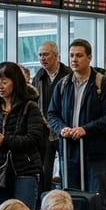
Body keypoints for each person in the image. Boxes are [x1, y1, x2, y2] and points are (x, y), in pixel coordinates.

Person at [46, 39, 106, 210]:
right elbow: (52, 113)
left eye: (79, 55)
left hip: (95, 152)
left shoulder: (102, 84)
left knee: (100, 199)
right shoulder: (64, 84)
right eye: (72, 56)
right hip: (70, 152)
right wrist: (62, 129)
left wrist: (85, 130)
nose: (74, 60)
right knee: (71, 199)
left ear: (89, 58)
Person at [0, 61, 46, 205]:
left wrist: (5, 141)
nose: (0, 86)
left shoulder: (30, 106)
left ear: (15, 82)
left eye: (4, 81)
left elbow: (34, 138)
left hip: (24, 169)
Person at [32, 41, 72, 193]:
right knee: (44, 170)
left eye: (46, 54)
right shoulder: (39, 76)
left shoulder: (68, 75)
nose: (43, 58)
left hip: (64, 128)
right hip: (44, 130)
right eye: (40, 55)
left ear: (56, 55)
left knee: (66, 169)